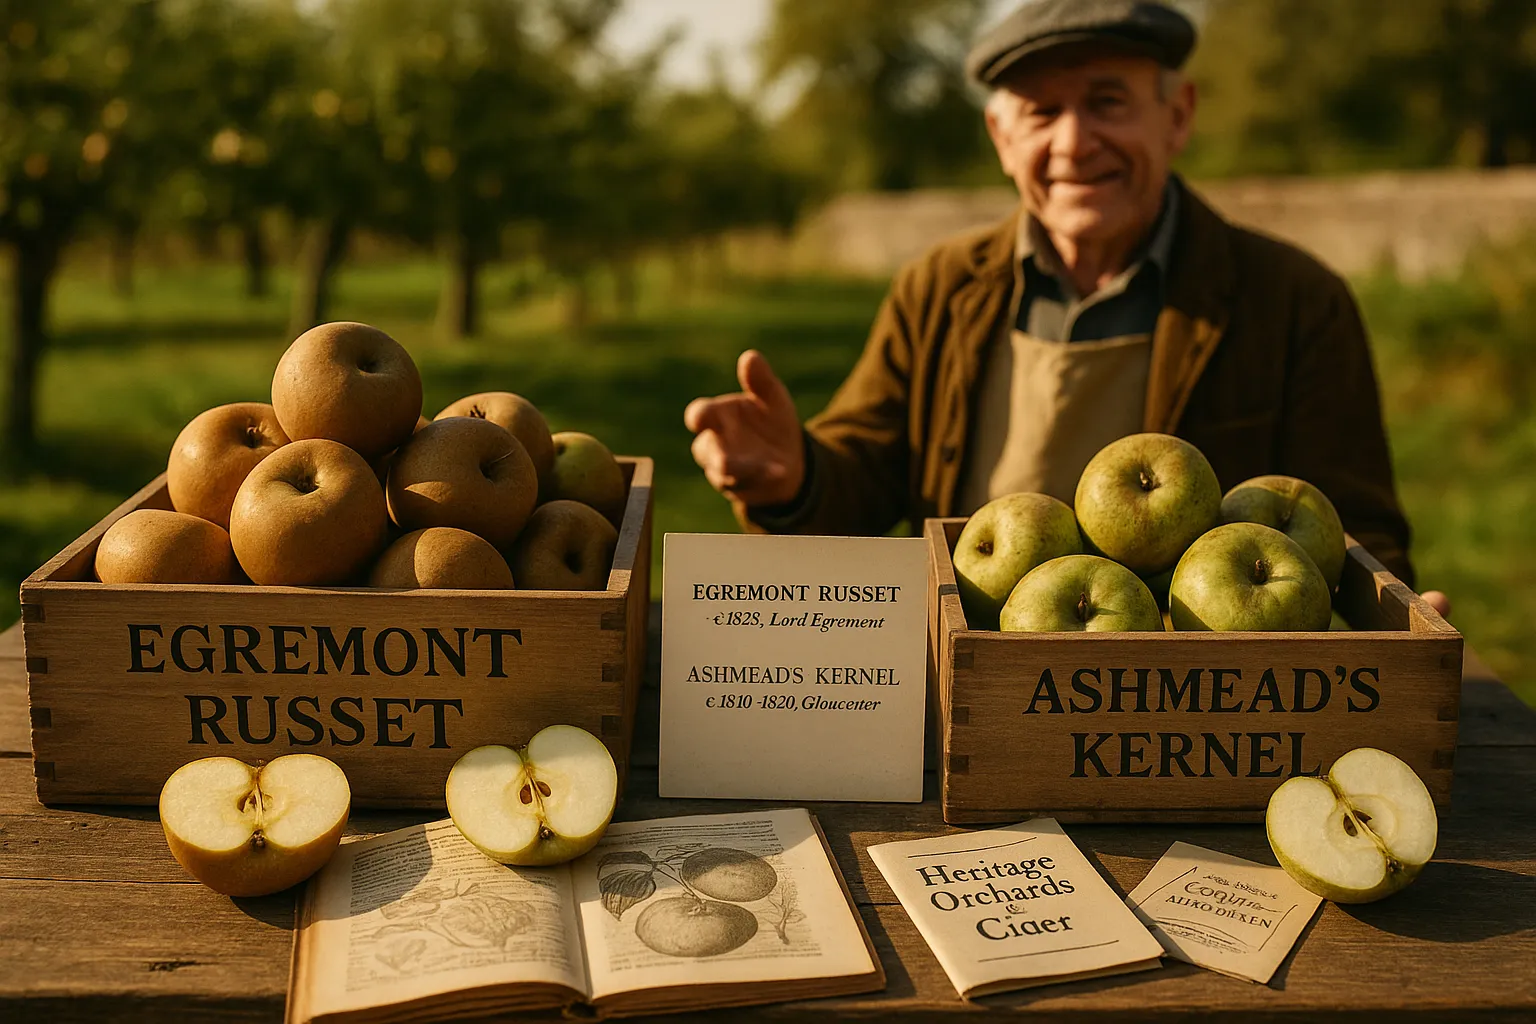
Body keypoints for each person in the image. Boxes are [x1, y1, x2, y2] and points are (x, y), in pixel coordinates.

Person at [683, 0, 1449, 616]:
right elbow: (865, 476)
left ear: (1176, 115)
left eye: (1107, 102)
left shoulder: (1291, 299)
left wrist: (1388, 607)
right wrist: (794, 477)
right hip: (973, 677)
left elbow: (1353, 529)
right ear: (1000, 136)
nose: (1075, 143)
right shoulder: (941, 288)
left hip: (1189, 712)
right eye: (1041, 112)